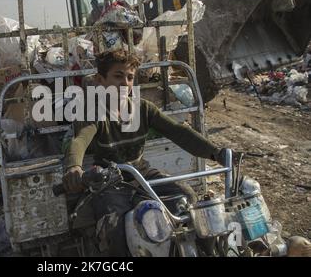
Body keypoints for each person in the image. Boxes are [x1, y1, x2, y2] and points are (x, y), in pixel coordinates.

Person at [62, 50, 232, 256]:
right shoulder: (93, 112)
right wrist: (74, 167)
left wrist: (216, 153)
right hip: (109, 182)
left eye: (130, 77)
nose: (125, 83)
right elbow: (80, 140)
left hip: (142, 173)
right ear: (100, 80)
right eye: (118, 76)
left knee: (187, 198)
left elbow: (178, 132)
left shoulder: (143, 108)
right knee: (113, 229)